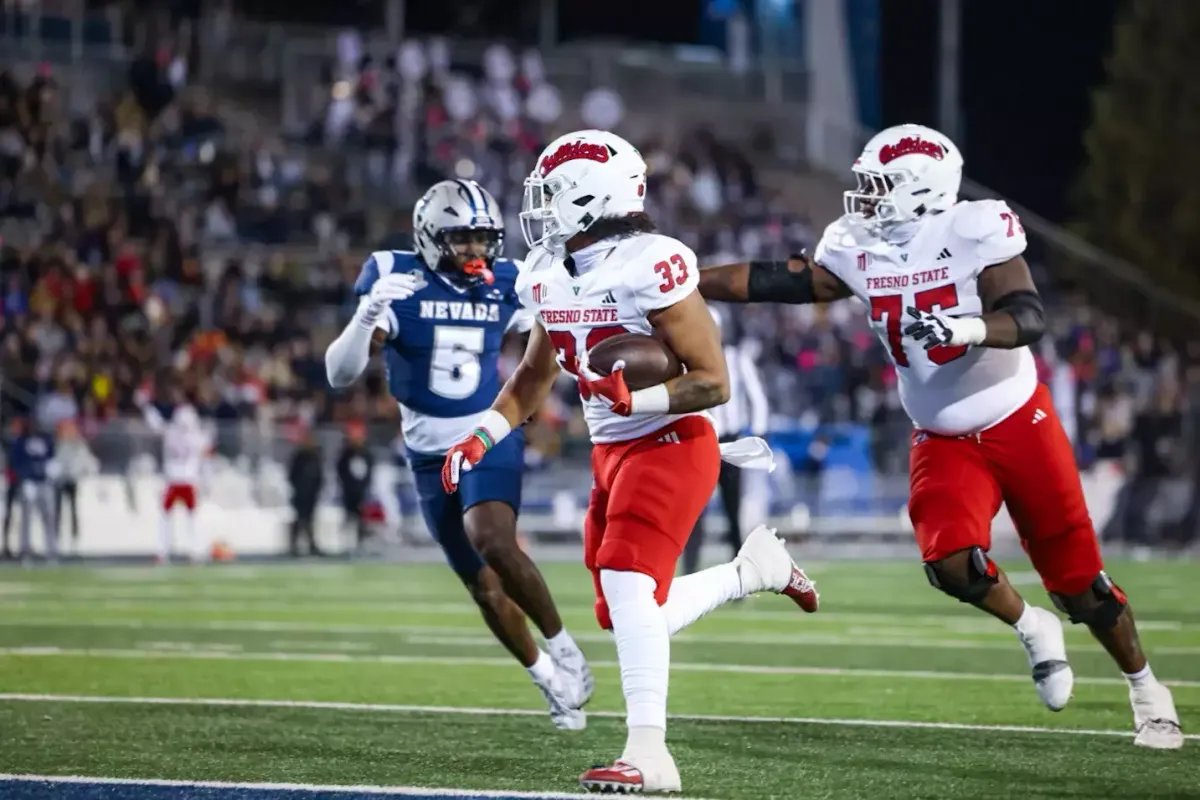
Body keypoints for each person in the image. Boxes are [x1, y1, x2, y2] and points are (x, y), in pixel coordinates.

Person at [698, 123, 1183, 750]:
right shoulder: (853, 244)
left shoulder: (974, 228)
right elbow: (782, 280)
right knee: (948, 563)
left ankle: (1146, 689)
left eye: (879, 187)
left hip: (1017, 419)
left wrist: (971, 330)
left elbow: (1030, 315)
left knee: (1079, 585)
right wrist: (685, 282)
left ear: (923, 190)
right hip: (943, 434)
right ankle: (1032, 626)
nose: (864, 200)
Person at [441, 130, 819, 793]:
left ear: (594, 197)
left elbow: (713, 381)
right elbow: (533, 377)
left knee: (624, 578)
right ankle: (754, 569)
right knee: (629, 612)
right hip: (612, 452)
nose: (541, 207)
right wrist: (480, 436)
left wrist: (635, 393)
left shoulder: (654, 262)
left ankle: (649, 754)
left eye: (552, 193)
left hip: (674, 439)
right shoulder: (549, 273)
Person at [324, 178, 593, 730]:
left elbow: (551, 335)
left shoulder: (507, 280)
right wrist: (366, 317)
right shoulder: (394, 276)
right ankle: (549, 679)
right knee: (484, 588)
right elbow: (339, 374)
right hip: (427, 453)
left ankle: (563, 644)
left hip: (487, 433)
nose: (476, 251)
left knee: (491, 536)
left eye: (483, 239)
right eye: (463, 239)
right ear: (428, 237)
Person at [140, 397, 212, 564]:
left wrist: (146, 405)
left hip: (174, 480)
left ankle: (163, 551)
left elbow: (155, 423)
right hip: (187, 481)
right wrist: (206, 480)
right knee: (191, 519)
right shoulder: (198, 437)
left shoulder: (171, 432)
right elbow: (206, 458)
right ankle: (193, 550)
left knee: (167, 518)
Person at [5, 416, 57, 563]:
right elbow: (16, 461)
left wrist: (51, 471)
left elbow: (51, 457)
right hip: (30, 484)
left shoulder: (46, 440)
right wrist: (24, 479)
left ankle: (51, 551)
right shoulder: (21, 442)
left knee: (49, 518)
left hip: (44, 482)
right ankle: (25, 551)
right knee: (26, 520)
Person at [53, 418, 99, 552]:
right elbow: (56, 460)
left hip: (72, 479)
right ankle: (56, 539)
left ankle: (74, 539)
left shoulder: (78, 443)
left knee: (73, 510)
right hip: (60, 479)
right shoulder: (58, 443)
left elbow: (86, 459)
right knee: (58, 511)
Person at [335, 420, 374, 551]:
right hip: (349, 491)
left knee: (362, 519)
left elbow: (369, 473)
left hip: (362, 491)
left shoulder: (367, 454)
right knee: (349, 517)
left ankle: (360, 543)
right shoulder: (345, 454)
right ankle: (346, 544)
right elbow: (341, 472)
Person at [288, 426, 325, 557]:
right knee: (300, 519)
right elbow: (292, 475)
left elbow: (319, 475)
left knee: (309, 519)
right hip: (300, 493)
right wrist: (299, 488)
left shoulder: (316, 456)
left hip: (312, 493)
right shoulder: (299, 457)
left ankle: (311, 544)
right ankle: (293, 545)